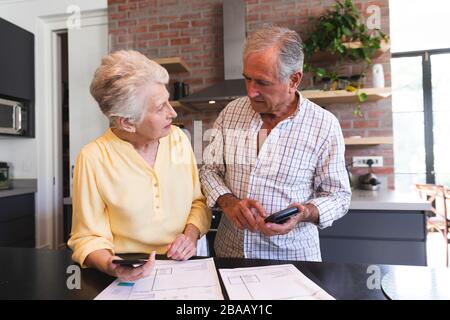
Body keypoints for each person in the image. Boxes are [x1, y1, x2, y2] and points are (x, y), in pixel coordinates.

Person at [200, 25, 351, 261]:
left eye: (262, 82)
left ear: (294, 80)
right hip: (230, 255)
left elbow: (339, 196)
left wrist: (304, 213)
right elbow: (209, 171)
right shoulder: (230, 113)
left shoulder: (324, 125)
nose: (251, 92)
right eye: (247, 79)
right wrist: (228, 202)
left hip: (294, 260)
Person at [68, 50, 211, 281]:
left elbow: (198, 202)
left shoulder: (178, 139)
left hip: (183, 266)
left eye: (168, 101)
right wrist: (112, 266)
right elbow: (87, 238)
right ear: (128, 122)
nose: (172, 113)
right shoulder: (93, 157)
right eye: (160, 107)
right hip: (126, 274)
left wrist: (190, 235)